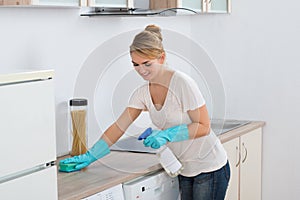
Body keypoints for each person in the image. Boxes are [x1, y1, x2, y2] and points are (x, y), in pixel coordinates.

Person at [60, 24, 230, 200]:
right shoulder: (142, 93)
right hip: (185, 169)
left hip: (209, 168)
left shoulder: (182, 84)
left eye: (147, 63)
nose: (141, 70)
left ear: (161, 57)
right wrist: (90, 156)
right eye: (136, 64)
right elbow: (119, 127)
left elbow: (203, 126)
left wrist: (168, 134)